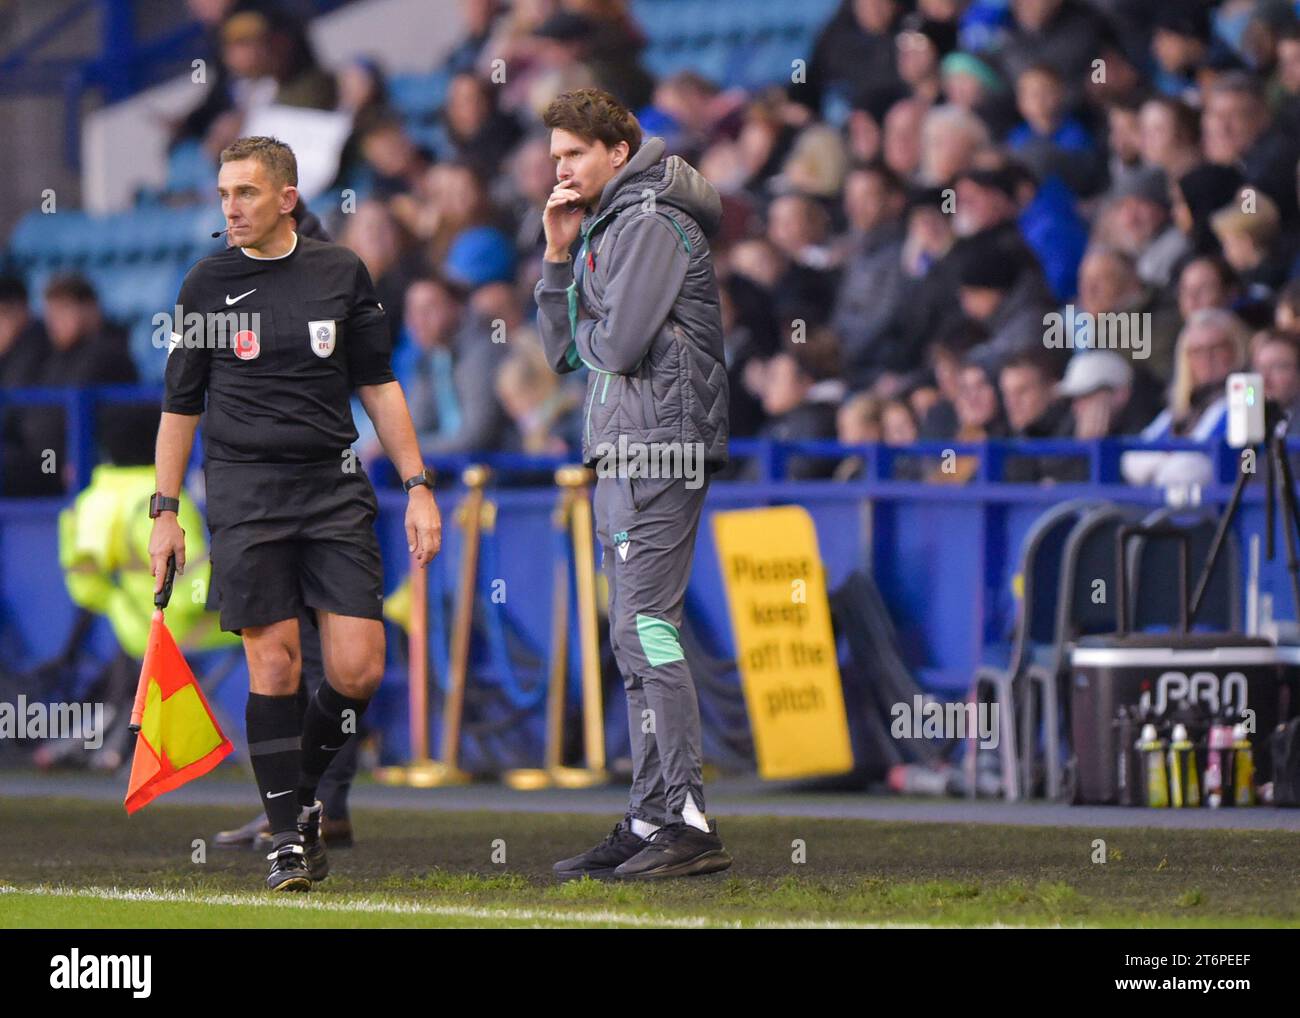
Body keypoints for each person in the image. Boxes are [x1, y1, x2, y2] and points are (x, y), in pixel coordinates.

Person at [149, 136, 442, 892]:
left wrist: (417, 485)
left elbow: (378, 384)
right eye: (222, 195)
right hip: (246, 495)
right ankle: (286, 836)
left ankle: (300, 799)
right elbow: (180, 406)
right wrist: (166, 511)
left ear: (286, 198)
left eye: (244, 193)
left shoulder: (340, 273)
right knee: (274, 661)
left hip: (334, 487)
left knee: (358, 668)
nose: (230, 208)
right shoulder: (206, 285)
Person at [533, 88, 732, 879]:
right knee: (633, 637)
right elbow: (562, 354)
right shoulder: (610, 222)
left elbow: (610, 348)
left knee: (648, 633)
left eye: (574, 153)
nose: (560, 168)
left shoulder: (650, 221)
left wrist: (582, 317)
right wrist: (556, 260)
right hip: (628, 447)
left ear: (618, 152)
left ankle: (681, 817)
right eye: (554, 156)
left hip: (660, 449)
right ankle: (654, 817)